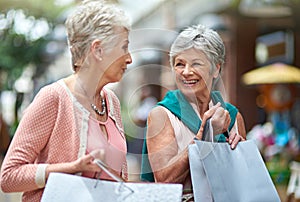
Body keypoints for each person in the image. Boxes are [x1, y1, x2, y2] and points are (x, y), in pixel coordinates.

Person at [0, 0, 132, 201]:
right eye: (124, 47)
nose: (129, 58)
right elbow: (9, 177)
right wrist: (72, 168)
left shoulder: (110, 100)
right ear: (97, 50)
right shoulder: (53, 97)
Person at [140, 24, 247, 200]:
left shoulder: (233, 117)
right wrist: (202, 136)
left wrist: (239, 155)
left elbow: (240, 181)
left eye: (196, 63)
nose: (186, 72)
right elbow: (165, 180)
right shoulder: (162, 114)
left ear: (216, 69)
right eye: (179, 64)